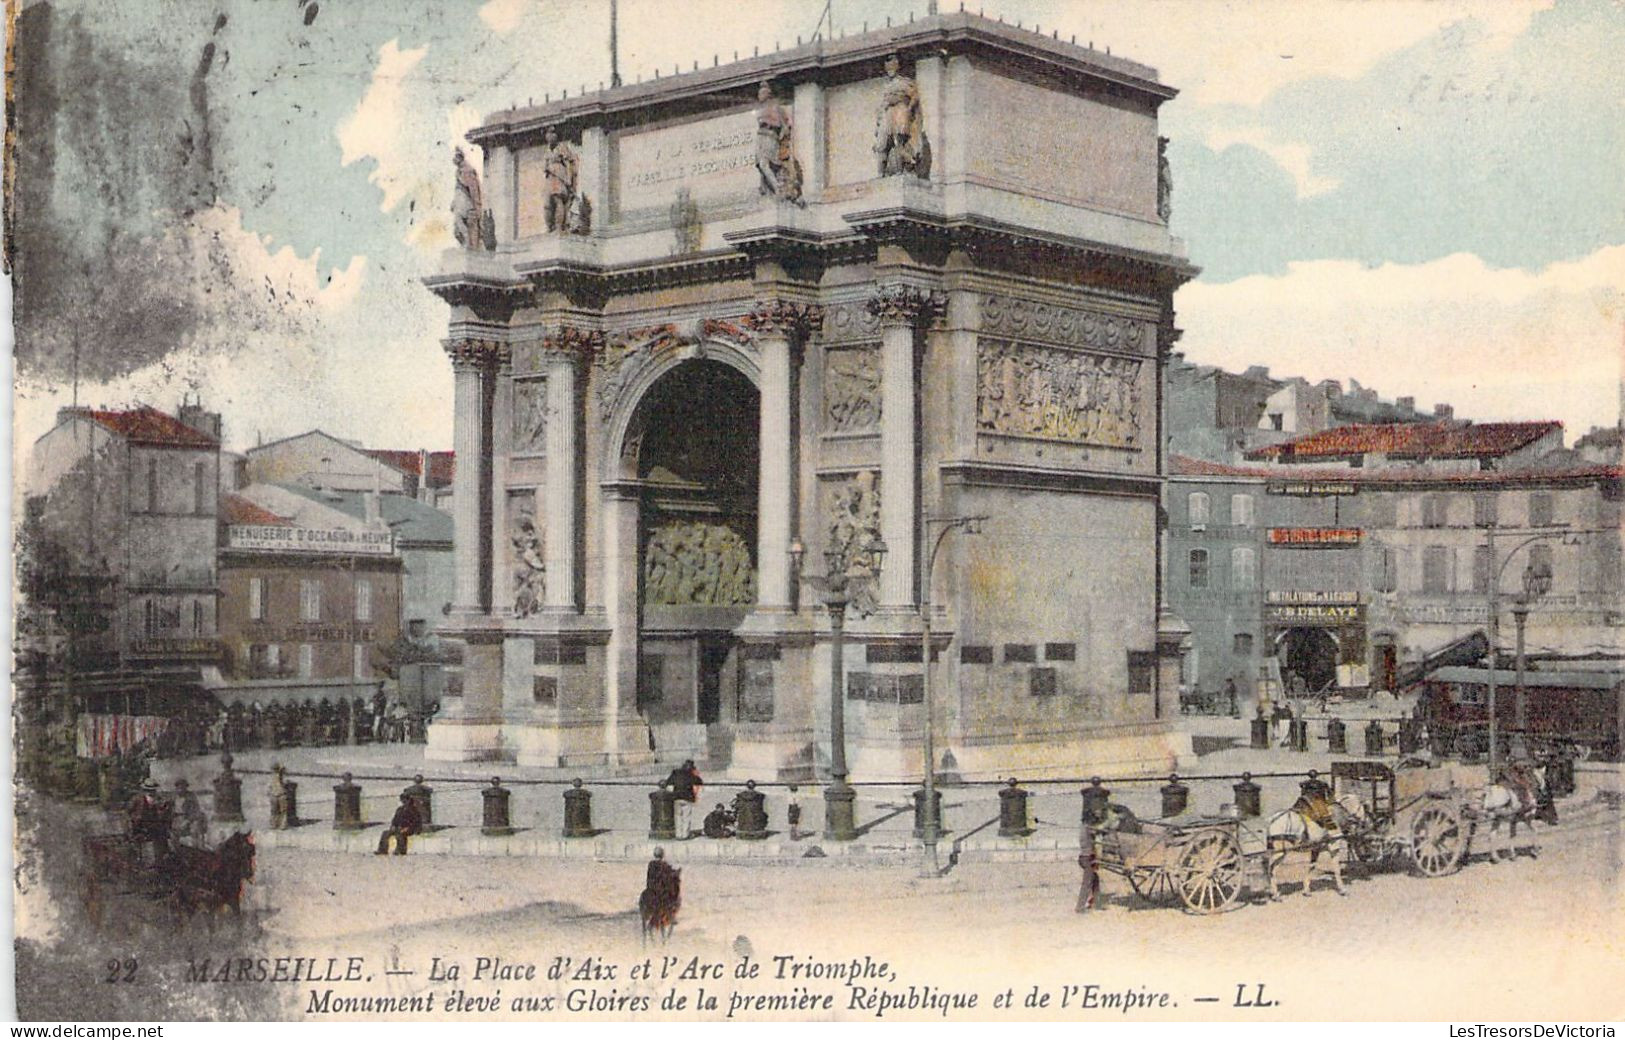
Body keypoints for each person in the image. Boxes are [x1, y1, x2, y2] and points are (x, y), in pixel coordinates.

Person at [873, 53, 924, 177]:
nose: (890, 69)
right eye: (888, 67)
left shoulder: (905, 82)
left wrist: (908, 110)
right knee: (881, 144)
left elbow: (915, 97)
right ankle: (881, 174)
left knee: (899, 142)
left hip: (900, 111)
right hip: (887, 113)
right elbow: (883, 104)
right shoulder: (887, 86)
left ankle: (902, 170)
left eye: (892, 66)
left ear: (898, 67)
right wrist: (879, 119)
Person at [126, 778, 173, 864]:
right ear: (144, 790)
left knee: (162, 835)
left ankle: (163, 855)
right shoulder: (137, 799)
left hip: (153, 824)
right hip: (140, 825)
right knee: (138, 841)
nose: (151, 792)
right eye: (148, 790)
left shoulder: (159, 799)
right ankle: (138, 858)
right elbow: (128, 811)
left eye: (153, 790)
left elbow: (163, 811)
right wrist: (134, 819)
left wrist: (163, 809)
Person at [542, 126, 578, 233]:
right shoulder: (548, 149)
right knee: (547, 204)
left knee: (558, 199)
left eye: (552, 133)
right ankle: (550, 227)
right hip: (550, 177)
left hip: (559, 175)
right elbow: (545, 164)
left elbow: (568, 164)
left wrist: (568, 179)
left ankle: (559, 227)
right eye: (548, 134)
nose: (549, 136)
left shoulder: (562, 147)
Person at [451, 147, 484, 249]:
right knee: (457, 228)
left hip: (467, 204)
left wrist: (477, 206)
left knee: (467, 226)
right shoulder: (458, 171)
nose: (453, 160)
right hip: (459, 203)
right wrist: (454, 202)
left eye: (455, 157)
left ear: (459, 157)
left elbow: (474, 190)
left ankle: (468, 244)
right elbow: (458, 188)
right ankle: (466, 243)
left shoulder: (468, 170)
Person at [666, 759, 702, 839]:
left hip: (676, 797)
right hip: (687, 798)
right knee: (686, 817)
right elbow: (699, 781)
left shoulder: (675, 773)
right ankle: (685, 835)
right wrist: (696, 772)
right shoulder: (691, 774)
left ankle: (678, 835)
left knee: (677, 816)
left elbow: (668, 782)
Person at [172, 778, 208, 848]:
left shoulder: (191, 797)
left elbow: (196, 811)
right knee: (172, 834)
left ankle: (196, 850)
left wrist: (187, 821)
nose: (181, 790)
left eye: (183, 788)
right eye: (179, 788)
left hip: (188, 819)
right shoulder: (173, 797)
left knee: (195, 830)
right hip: (176, 819)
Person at [269, 763, 292, 830]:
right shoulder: (279, 776)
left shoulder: (276, 776)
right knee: (280, 811)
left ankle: (276, 824)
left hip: (276, 794)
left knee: (277, 811)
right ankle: (280, 825)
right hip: (279, 794)